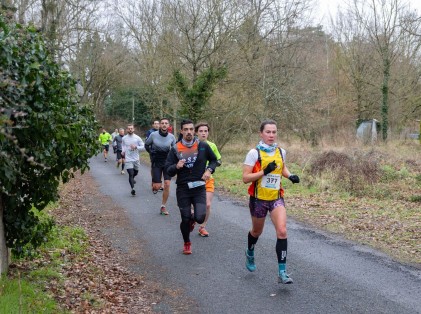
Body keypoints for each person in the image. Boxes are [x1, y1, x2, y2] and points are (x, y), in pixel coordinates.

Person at [242, 119, 300, 284]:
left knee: (282, 231)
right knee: (256, 232)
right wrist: (263, 172)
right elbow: (245, 178)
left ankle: (282, 272)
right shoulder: (254, 153)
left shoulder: (281, 152)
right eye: (268, 132)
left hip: (276, 198)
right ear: (261, 133)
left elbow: (282, 168)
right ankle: (250, 251)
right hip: (259, 200)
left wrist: (290, 176)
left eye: (274, 132)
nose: (271, 135)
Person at [165, 119, 218, 255]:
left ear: (194, 131)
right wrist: (176, 166)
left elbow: (214, 160)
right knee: (185, 217)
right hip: (183, 188)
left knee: (200, 217)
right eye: (186, 129)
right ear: (181, 131)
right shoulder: (175, 149)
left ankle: (193, 220)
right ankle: (187, 242)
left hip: (199, 187)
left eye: (191, 129)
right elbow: (168, 170)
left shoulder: (203, 146)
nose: (189, 132)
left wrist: (209, 170)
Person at [195, 122, 222, 237]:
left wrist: (210, 168)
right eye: (201, 131)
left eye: (205, 131)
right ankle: (192, 219)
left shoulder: (212, 145)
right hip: (195, 180)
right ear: (196, 133)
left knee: (207, 205)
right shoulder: (192, 145)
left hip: (208, 179)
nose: (203, 133)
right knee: (194, 205)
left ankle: (202, 227)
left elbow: (218, 160)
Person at [145, 118, 176, 215]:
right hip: (156, 161)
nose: (164, 125)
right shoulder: (153, 135)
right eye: (162, 123)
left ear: (168, 125)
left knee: (167, 184)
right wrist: (151, 152)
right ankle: (155, 183)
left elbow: (175, 150)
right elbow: (146, 145)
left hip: (167, 161)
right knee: (157, 187)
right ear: (159, 125)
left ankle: (163, 206)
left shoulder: (171, 137)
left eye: (166, 123)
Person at [122, 124, 145, 196]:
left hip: (136, 159)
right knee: (130, 174)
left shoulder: (137, 138)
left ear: (134, 129)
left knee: (135, 172)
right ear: (126, 130)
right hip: (128, 159)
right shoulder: (124, 138)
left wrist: (136, 147)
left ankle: (133, 179)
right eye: (129, 128)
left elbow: (144, 147)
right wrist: (123, 151)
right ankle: (133, 189)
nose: (130, 130)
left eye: (131, 128)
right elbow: (123, 145)